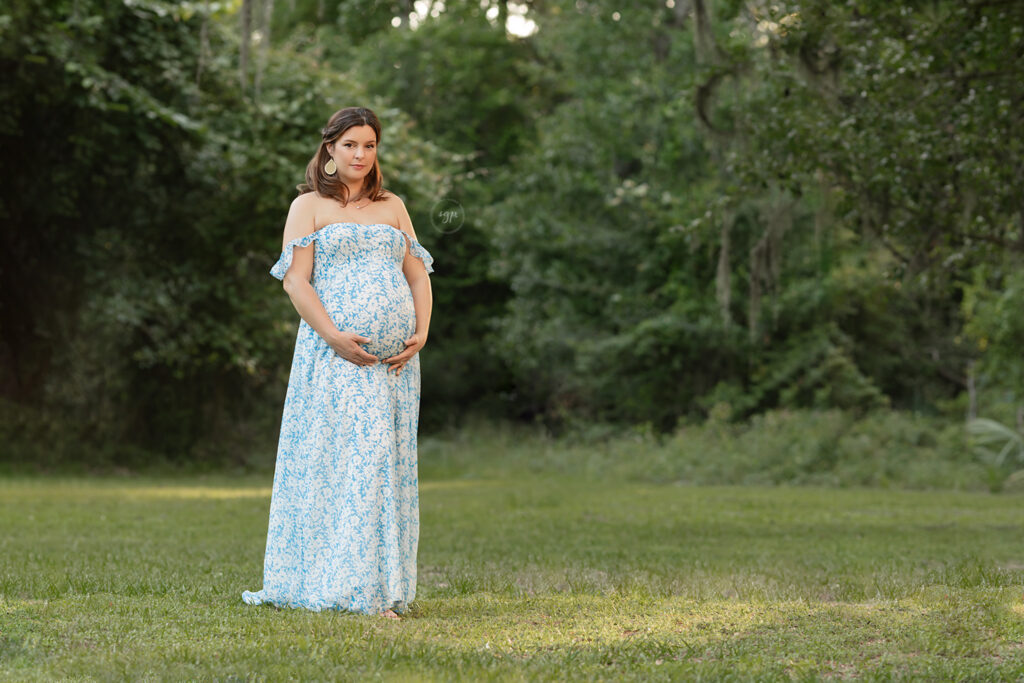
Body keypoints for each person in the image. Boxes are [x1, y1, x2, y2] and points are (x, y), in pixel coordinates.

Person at [242, 107, 434, 620]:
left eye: (369, 145)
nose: (360, 155)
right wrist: (333, 337)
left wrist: (421, 331)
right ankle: (352, 589)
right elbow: (295, 281)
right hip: (334, 357)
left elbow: (417, 274)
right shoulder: (306, 207)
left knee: (380, 467)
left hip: (392, 363)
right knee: (347, 465)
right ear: (330, 149)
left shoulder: (392, 205)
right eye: (350, 144)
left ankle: (376, 585)